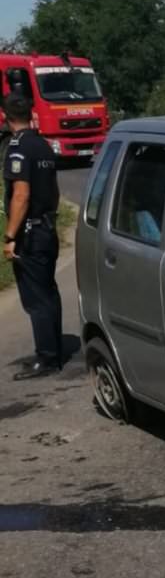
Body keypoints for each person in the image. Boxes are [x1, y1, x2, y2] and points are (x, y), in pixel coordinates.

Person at [3, 95, 63, 380]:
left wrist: (9, 235)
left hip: (30, 233)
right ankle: (55, 348)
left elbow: (21, 195)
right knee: (49, 291)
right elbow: (55, 191)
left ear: (5, 116)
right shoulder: (43, 145)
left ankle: (47, 357)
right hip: (48, 227)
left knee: (36, 298)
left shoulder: (18, 148)